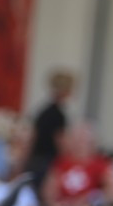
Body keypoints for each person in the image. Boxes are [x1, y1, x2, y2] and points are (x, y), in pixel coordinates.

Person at [25, 69, 75, 197]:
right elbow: (60, 142)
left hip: (35, 160)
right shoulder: (58, 115)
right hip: (47, 162)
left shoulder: (43, 111)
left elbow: (32, 138)